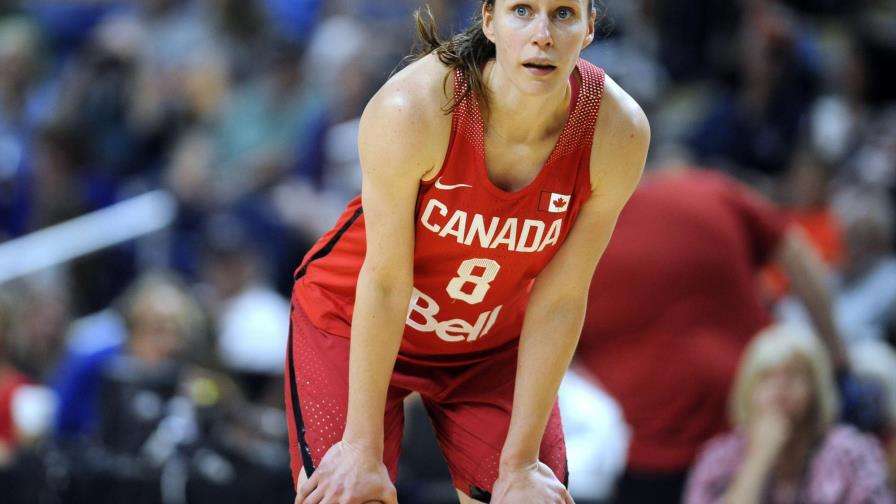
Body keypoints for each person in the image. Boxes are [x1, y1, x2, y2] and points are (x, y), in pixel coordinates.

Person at [284, 1, 650, 503]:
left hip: (489, 345)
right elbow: (388, 283)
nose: (542, 34)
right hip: (354, 323)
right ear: (488, 20)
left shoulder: (617, 130)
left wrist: (520, 463)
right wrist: (360, 448)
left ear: (589, 28)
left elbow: (562, 297)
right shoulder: (412, 109)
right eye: (522, 10)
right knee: (350, 493)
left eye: (563, 13)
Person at [575, 165, 848, 504]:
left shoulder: (571, 238)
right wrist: (837, 356)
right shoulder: (709, 190)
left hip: (651, 454)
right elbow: (798, 254)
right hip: (757, 425)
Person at [684, 323, 893, 504]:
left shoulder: (851, 452)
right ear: (747, 390)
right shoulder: (717, 460)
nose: (780, 388)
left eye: (794, 375)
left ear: (816, 389)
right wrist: (758, 460)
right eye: (767, 377)